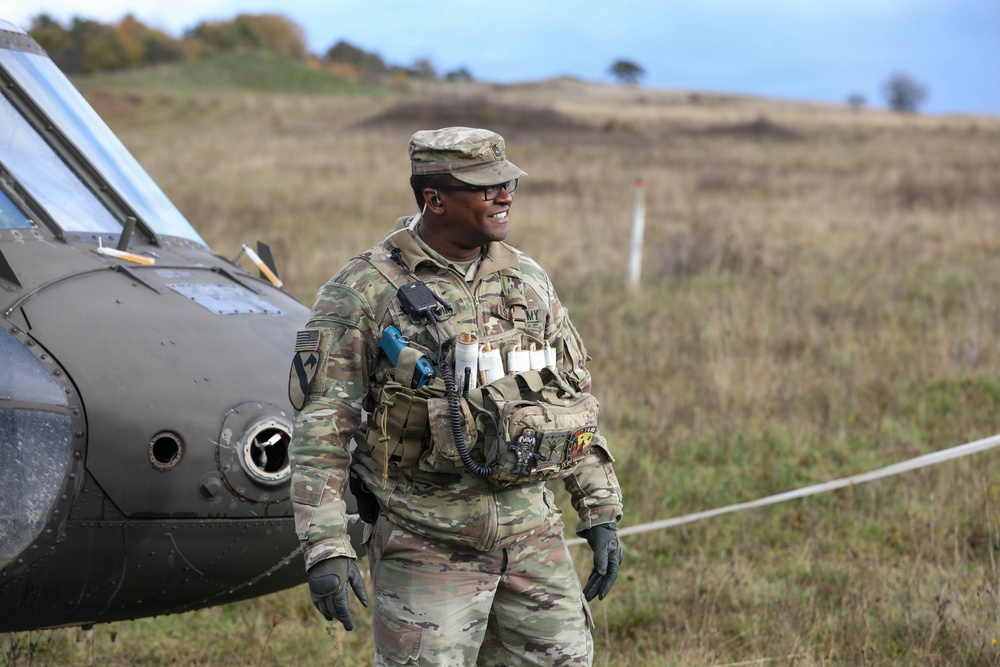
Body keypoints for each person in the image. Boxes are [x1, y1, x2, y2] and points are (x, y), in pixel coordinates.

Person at [288, 126, 624, 666]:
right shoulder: (364, 291)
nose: (505, 195)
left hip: (532, 538)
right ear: (434, 199)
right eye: (486, 187)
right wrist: (326, 546)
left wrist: (600, 509)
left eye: (507, 183)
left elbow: (570, 400)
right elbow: (322, 427)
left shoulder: (528, 280)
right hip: (425, 545)